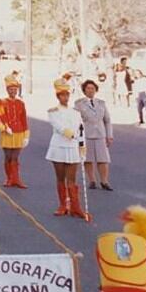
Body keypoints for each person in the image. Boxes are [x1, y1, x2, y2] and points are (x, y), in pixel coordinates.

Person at [46, 78, 88, 219]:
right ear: (58, 96)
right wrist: (68, 132)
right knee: (60, 178)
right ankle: (63, 205)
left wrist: (82, 145)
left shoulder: (75, 112)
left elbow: (81, 129)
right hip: (58, 146)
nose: (65, 97)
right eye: (62, 95)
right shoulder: (53, 111)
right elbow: (57, 126)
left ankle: (76, 207)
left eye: (67, 94)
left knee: (72, 179)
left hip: (72, 147)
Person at [0, 72, 29, 188]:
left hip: (19, 133)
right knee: (8, 156)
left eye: (15, 89)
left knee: (15, 157)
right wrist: (3, 128)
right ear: (7, 90)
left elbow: (24, 120)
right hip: (6, 134)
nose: (13, 91)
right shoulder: (2, 103)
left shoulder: (21, 103)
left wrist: (26, 135)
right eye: (11, 89)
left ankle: (16, 179)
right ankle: (9, 178)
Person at [75, 79, 114, 191]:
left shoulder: (101, 103)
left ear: (96, 90)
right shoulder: (79, 103)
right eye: (88, 88)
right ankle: (92, 180)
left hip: (100, 134)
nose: (90, 90)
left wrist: (109, 135)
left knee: (103, 159)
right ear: (84, 90)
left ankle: (104, 181)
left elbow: (107, 120)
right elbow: (76, 120)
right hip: (86, 134)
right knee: (88, 159)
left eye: (92, 88)